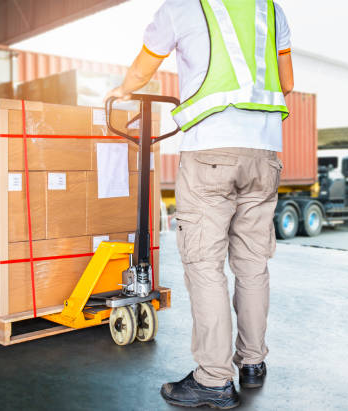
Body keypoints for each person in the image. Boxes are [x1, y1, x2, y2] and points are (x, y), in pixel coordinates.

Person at [106, 0, 294, 409]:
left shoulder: (181, 7)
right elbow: (287, 82)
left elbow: (142, 69)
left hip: (210, 150)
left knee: (204, 264)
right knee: (252, 263)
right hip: (264, 152)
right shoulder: (270, 9)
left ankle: (212, 379)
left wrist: (123, 90)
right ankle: (252, 363)